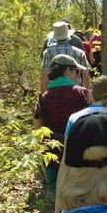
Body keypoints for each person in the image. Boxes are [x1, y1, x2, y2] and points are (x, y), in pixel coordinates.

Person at [33, 54, 90, 195]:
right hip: (79, 155)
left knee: (56, 194)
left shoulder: (43, 98)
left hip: (53, 156)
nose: (77, 75)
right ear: (67, 71)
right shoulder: (82, 94)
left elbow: (38, 130)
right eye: (76, 71)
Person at [41, 21, 91, 93]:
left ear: (55, 38)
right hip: (75, 92)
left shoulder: (48, 52)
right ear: (68, 36)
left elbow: (44, 74)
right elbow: (85, 73)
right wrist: (85, 93)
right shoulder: (79, 52)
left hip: (54, 92)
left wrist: (43, 94)